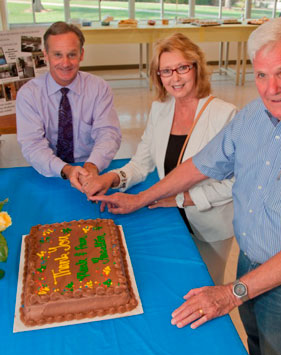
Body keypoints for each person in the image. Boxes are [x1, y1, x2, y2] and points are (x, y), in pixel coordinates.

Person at [91, 17, 281, 355]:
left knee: (280, 353)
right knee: (255, 344)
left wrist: (230, 293)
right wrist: (140, 199)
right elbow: (201, 165)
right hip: (249, 260)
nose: (270, 88)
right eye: (261, 75)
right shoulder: (254, 116)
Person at [83, 33, 237, 285]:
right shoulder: (161, 109)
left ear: (197, 68)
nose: (175, 78)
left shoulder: (225, 114)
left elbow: (234, 184)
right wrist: (111, 178)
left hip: (210, 225)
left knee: (206, 287)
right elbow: (142, 162)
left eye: (182, 68)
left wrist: (179, 199)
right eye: (166, 71)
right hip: (171, 219)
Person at [16, 21, 121, 192]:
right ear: (45, 55)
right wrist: (66, 170)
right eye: (57, 55)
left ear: (81, 54)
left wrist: (92, 166)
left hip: (91, 169)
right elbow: (33, 145)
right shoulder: (29, 95)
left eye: (72, 54)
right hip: (48, 173)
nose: (65, 63)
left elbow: (108, 133)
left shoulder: (99, 88)